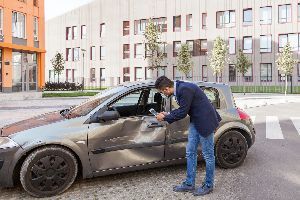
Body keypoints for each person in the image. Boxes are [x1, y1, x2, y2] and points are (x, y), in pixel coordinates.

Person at [154, 76, 221, 196]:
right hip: (196, 121)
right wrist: (168, 114)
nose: (163, 94)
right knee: (190, 152)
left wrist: (164, 117)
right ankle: (189, 184)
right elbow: (185, 108)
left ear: (166, 89)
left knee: (208, 155)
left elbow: (183, 112)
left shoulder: (184, 89)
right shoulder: (180, 87)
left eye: (161, 92)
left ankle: (209, 185)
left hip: (205, 122)